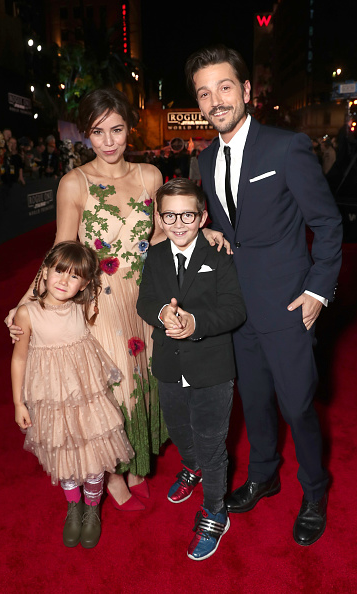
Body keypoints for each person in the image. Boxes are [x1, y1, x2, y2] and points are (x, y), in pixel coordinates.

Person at [6, 88, 225, 509]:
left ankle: (140, 462)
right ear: (87, 135)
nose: (108, 141)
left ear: (130, 128)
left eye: (117, 129)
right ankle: (114, 475)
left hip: (147, 296)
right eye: (97, 131)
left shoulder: (150, 177)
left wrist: (201, 232)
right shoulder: (75, 182)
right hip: (99, 301)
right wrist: (26, 301)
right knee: (116, 388)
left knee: (148, 381)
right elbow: (61, 249)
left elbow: (162, 237)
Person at [184, 44, 343, 546]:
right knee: (253, 403)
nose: (216, 101)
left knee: (297, 404)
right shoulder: (203, 161)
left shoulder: (286, 147)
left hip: (288, 304)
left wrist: (319, 289)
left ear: (246, 90)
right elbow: (215, 226)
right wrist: (207, 235)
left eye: (225, 87)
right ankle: (265, 475)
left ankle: (314, 489)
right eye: (204, 94)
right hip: (236, 309)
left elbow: (328, 223)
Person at [137, 178, 246, 560]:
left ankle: (216, 510)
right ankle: (191, 466)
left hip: (212, 366)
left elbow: (235, 309)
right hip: (168, 364)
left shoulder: (220, 255)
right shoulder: (154, 255)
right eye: (170, 215)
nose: (179, 223)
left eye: (187, 214)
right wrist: (162, 312)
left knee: (212, 442)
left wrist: (195, 323)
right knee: (180, 430)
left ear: (202, 217)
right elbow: (145, 301)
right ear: (160, 217)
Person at [11, 241, 134, 548]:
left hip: (86, 398)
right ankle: (73, 505)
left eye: (75, 276)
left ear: (85, 283)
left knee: (94, 457)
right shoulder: (27, 314)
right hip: (51, 401)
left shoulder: (83, 306)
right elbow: (19, 359)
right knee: (63, 456)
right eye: (58, 271)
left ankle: (92, 509)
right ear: (45, 272)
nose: (64, 280)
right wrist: (17, 402)